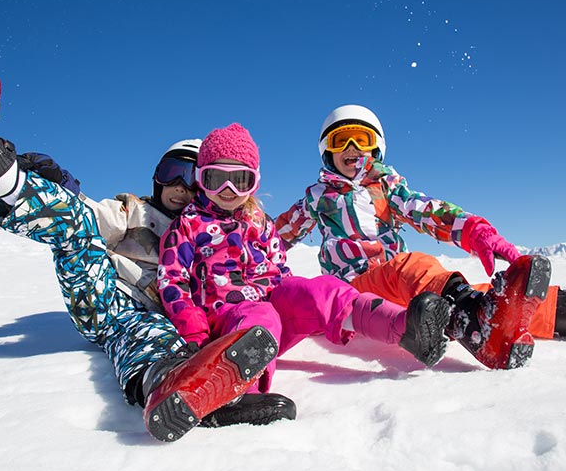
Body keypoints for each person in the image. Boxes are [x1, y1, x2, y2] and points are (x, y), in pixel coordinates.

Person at [0, 66, 281, 442]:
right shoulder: (136, 212)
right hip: (106, 299)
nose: (179, 186)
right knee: (76, 229)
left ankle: (186, 391)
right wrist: (62, 186)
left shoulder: (206, 234)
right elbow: (89, 216)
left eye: (190, 176)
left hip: (151, 320)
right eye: (171, 172)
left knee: (152, 335)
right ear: (156, 178)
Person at [157, 122, 453, 405]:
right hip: (225, 326)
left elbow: (279, 269)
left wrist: (300, 295)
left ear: (254, 183)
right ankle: (237, 393)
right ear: (200, 179)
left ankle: (403, 329)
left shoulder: (259, 222)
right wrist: (195, 334)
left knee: (325, 289)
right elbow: (172, 283)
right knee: (261, 315)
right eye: (216, 178)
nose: (228, 190)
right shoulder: (187, 226)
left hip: (272, 312)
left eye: (240, 181)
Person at [275, 104, 556, 369]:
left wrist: (473, 230)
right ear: (327, 151)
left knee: (490, 295)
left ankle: (558, 312)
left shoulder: (388, 189)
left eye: (361, 139)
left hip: (399, 290)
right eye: (341, 141)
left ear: (376, 148)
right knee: (411, 267)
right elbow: (275, 236)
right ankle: (473, 327)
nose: (352, 148)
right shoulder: (317, 198)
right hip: (354, 291)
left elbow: (426, 211)